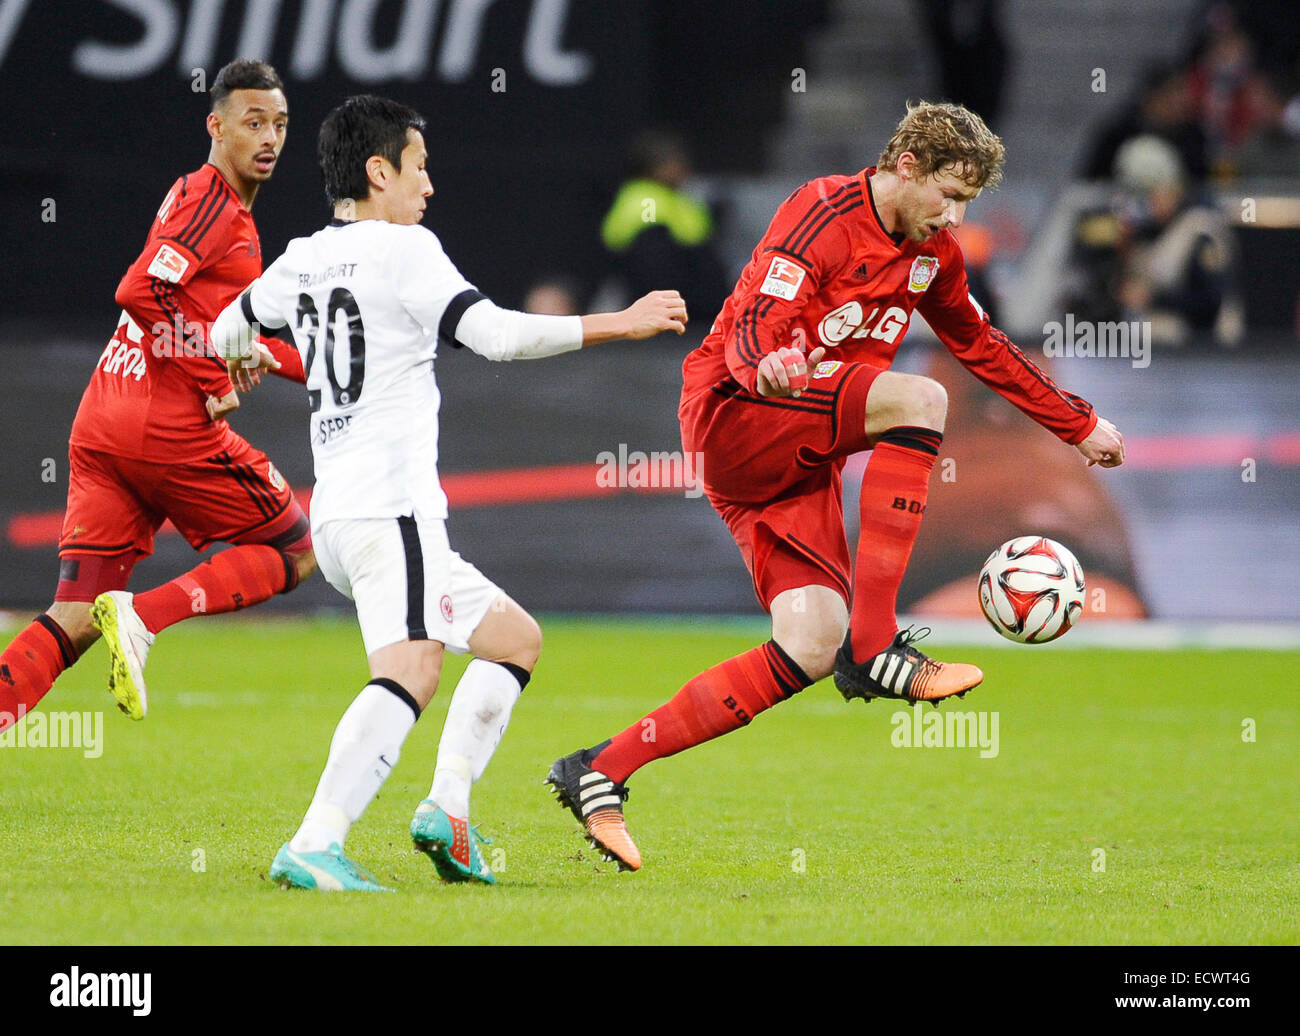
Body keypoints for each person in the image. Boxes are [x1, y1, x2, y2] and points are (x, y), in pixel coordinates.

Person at [547, 101, 1125, 872]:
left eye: (967, 204)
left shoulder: (934, 256)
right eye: (947, 195)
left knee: (809, 643)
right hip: (738, 412)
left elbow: (983, 346)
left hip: (794, 460)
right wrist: (766, 365)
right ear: (907, 165)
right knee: (919, 399)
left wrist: (1076, 423)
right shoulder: (823, 210)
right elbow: (756, 314)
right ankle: (878, 642)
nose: (953, 217)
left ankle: (602, 769)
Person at [210, 94, 687, 890]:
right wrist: (619, 322)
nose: (428, 187)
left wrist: (242, 366)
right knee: (413, 670)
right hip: (390, 509)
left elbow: (230, 325)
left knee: (515, 641)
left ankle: (449, 812)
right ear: (378, 170)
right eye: (419, 168)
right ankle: (314, 841)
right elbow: (495, 336)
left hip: (343, 515)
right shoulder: (405, 249)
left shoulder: (301, 257)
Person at [0, 59, 313, 734]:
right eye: (253, 121)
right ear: (216, 125)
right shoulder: (212, 203)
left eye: (281, 124)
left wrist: (317, 370)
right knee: (295, 550)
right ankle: (145, 617)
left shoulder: (194, 198)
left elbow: (217, 328)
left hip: (104, 419)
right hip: (163, 427)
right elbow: (141, 290)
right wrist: (209, 378)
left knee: (75, 616)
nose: (270, 138)